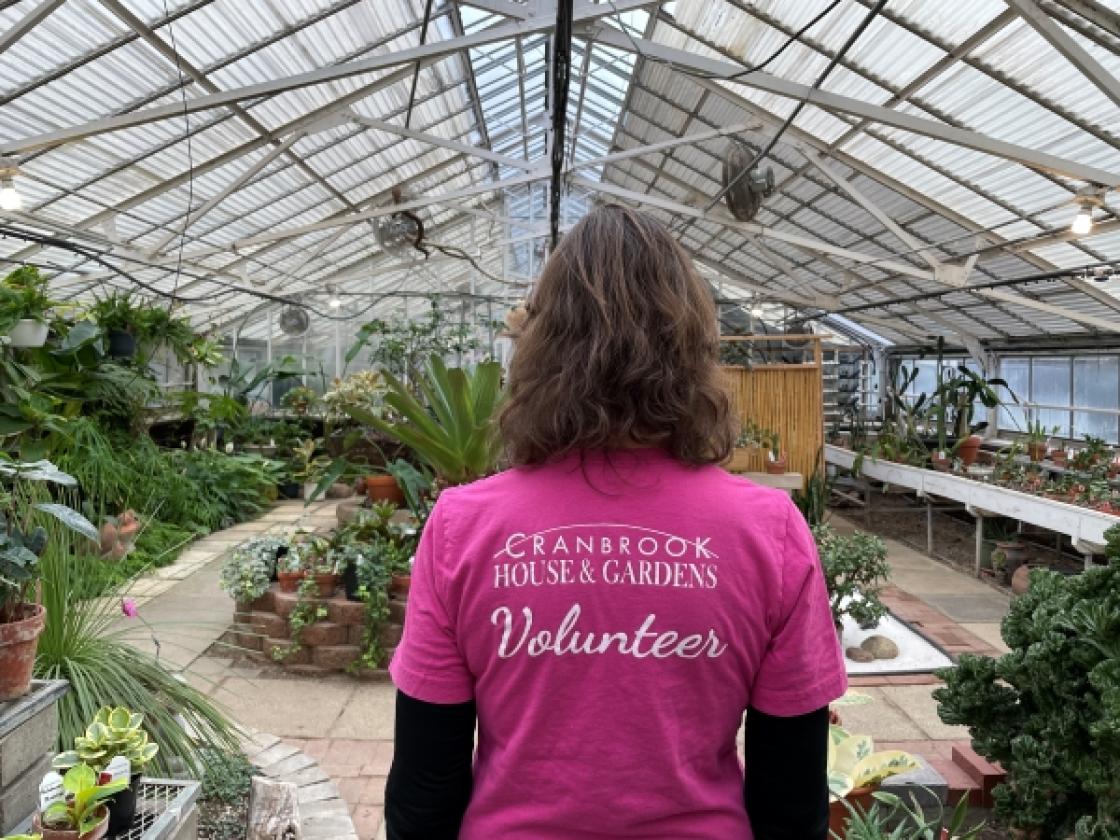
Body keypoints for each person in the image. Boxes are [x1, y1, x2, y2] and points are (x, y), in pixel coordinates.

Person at [385, 204, 846, 839]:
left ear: (541, 348)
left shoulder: (463, 529)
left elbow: (424, 786)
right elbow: (790, 797)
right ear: (692, 350)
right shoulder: (768, 532)